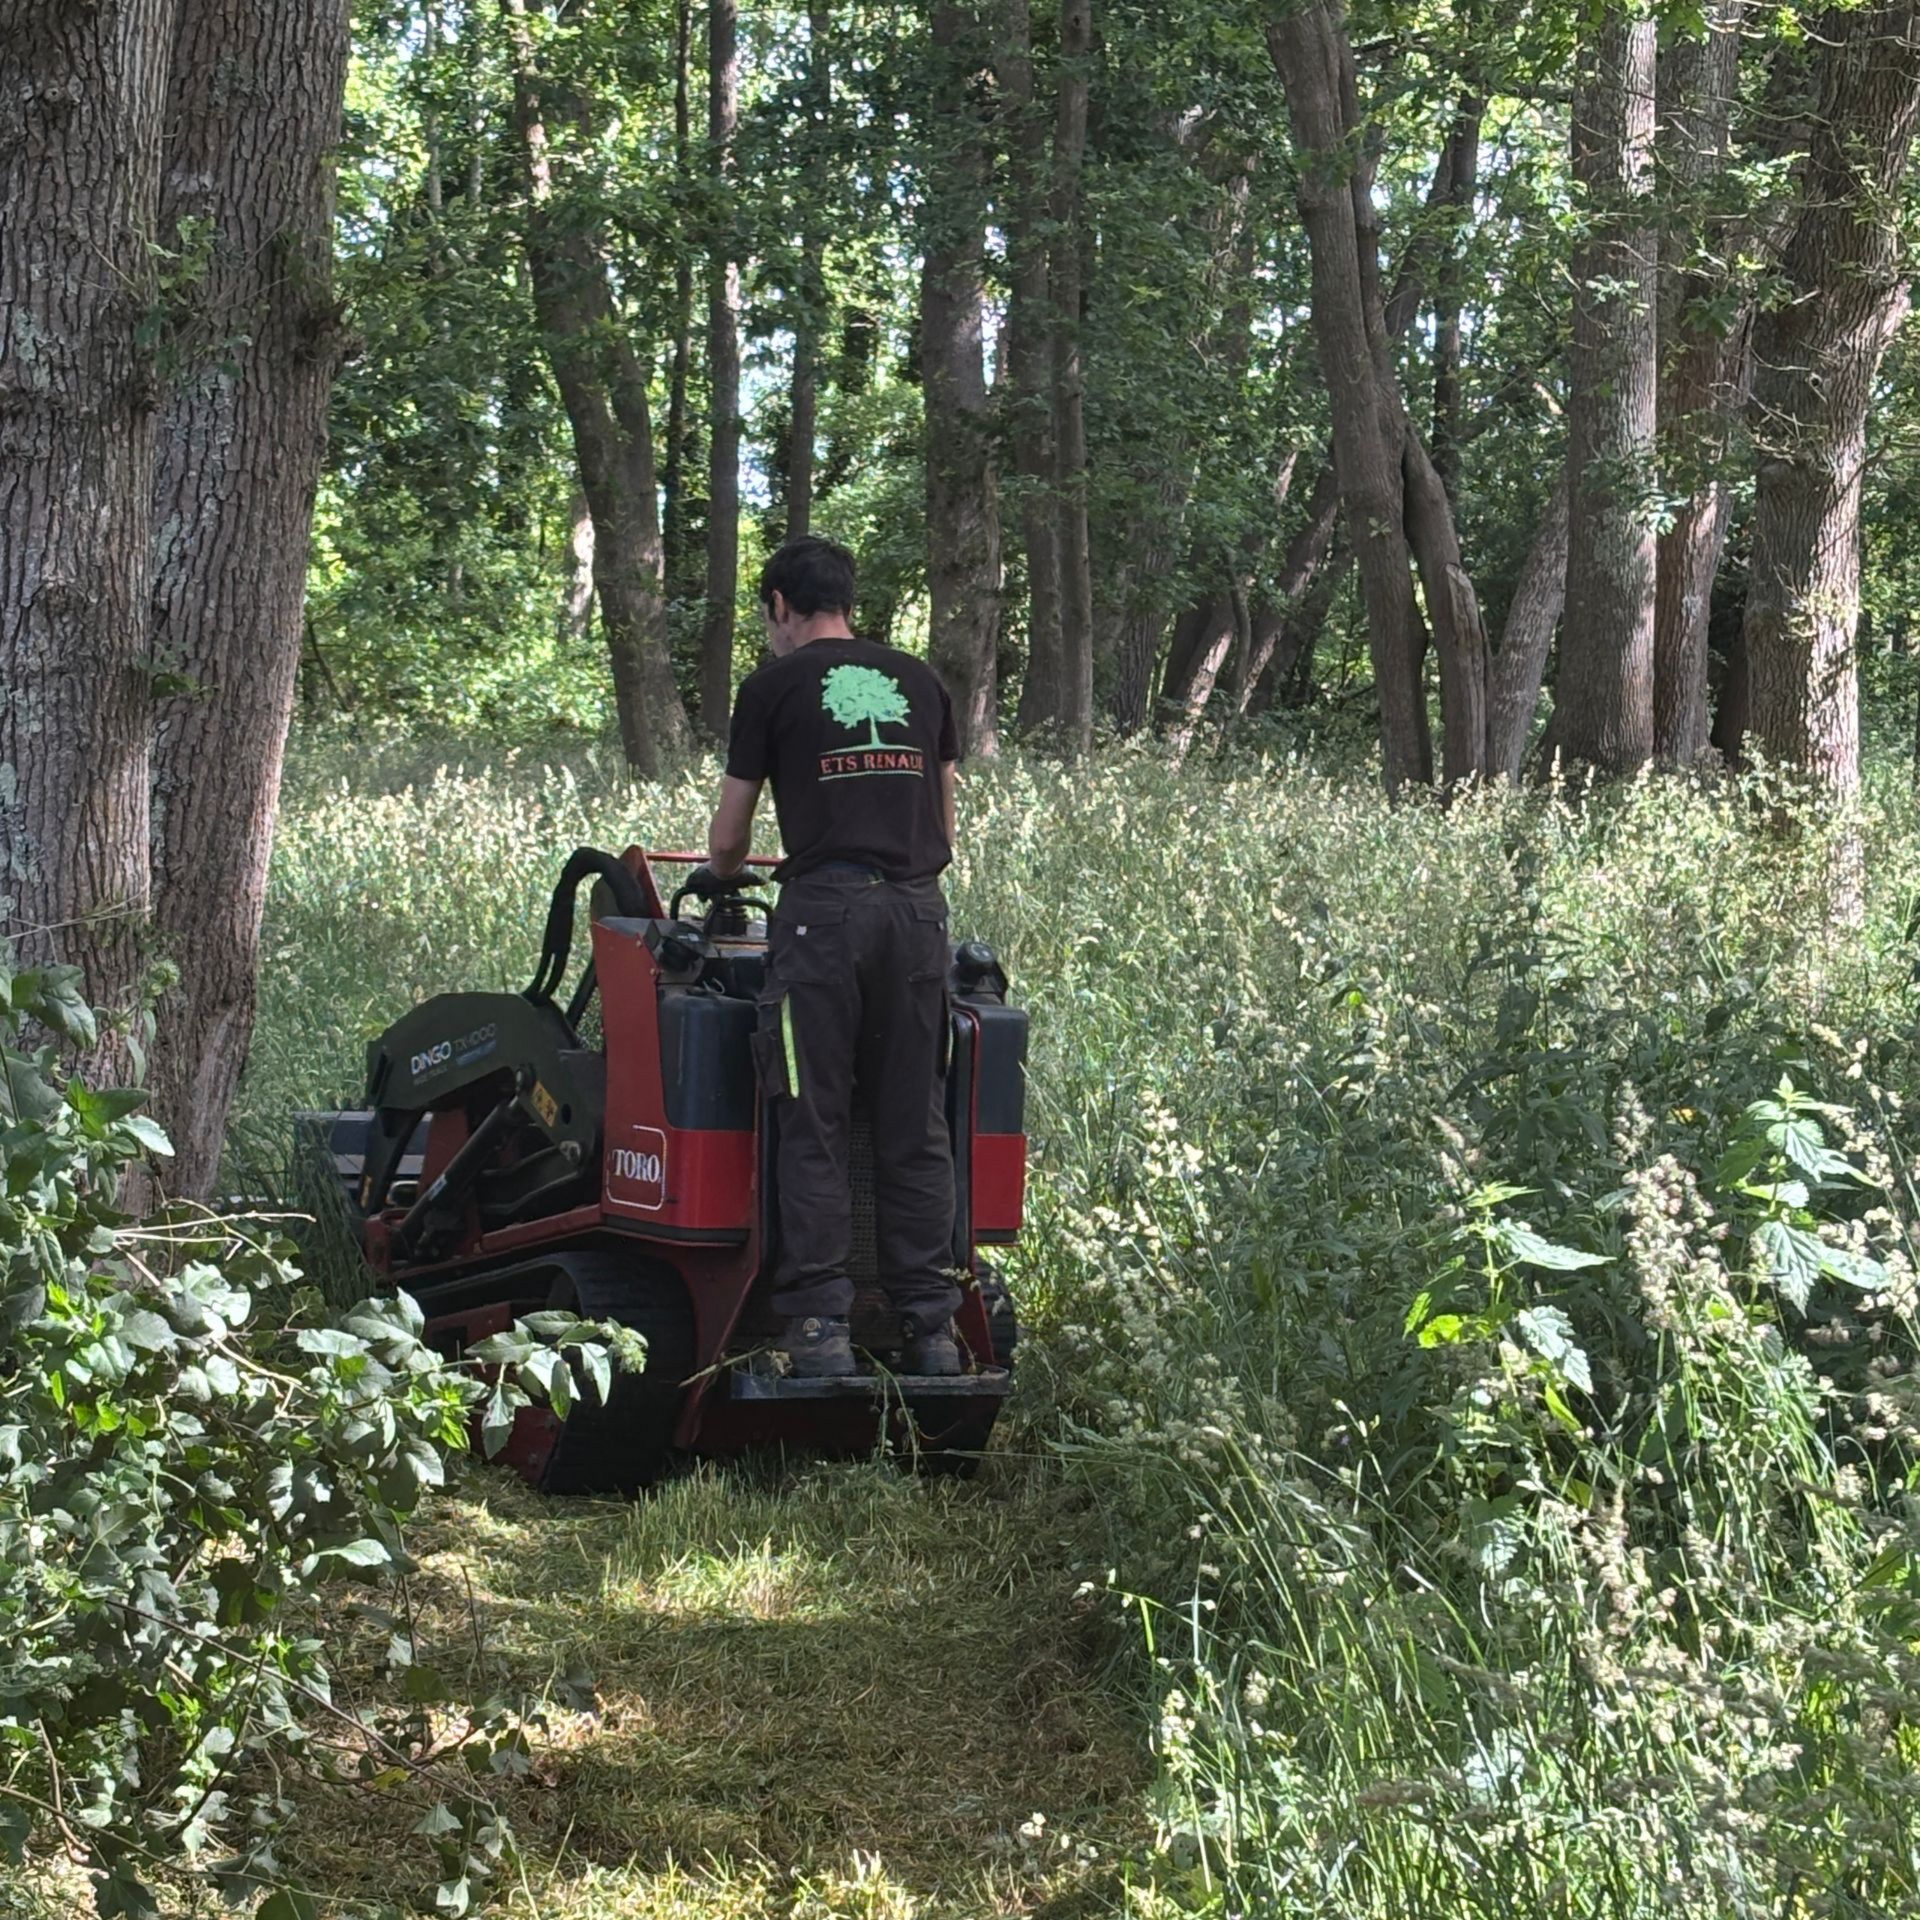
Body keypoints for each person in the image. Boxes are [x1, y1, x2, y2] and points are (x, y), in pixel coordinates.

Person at [696, 536, 964, 1378]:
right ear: (848, 601)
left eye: (766, 613)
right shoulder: (920, 681)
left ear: (779, 603)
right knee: (913, 1122)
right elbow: (946, 826)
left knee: (812, 1117)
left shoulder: (770, 687)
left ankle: (819, 1329)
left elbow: (731, 843)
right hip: (918, 918)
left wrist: (723, 874)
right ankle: (932, 1331)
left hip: (823, 923)